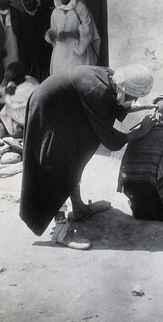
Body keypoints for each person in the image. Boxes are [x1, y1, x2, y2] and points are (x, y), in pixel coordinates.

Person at [20, 64, 156, 250]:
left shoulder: (112, 78)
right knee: (56, 164)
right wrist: (139, 133)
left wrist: (141, 106)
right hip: (49, 111)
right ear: (124, 89)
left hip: (65, 107)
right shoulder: (97, 92)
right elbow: (108, 137)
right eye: (133, 97)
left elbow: (114, 101)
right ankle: (60, 230)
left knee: (77, 154)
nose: (133, 101)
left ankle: (79, 208)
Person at [45, 0, 100, 74]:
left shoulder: (80, 8)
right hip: (60, 55)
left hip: (78, 54)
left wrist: (69, 34)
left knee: (78, 80)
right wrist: (50, 35)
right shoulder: (55, 12)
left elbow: (88, 30)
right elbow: (53, 29)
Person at [18, 0, 52, 83]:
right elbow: (20, 39)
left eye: (30, 0)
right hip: (27, 60)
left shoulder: (45, 15)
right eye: (25, 0)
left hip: (43, 59)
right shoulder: (21, 18)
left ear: (35, 0)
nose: (28, 3)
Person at [0, 61, 39, 139]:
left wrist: (6, 84)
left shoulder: (18, 91)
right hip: (37, 109)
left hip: (31, 116)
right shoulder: (29, 79)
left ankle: (17, 131)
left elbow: (1, 99)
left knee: (4, 111)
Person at [0, 0, 20, 83]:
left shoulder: (15, 12)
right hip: (1, 49)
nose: (4, 1)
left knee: (14, 71)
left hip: (14, 46)